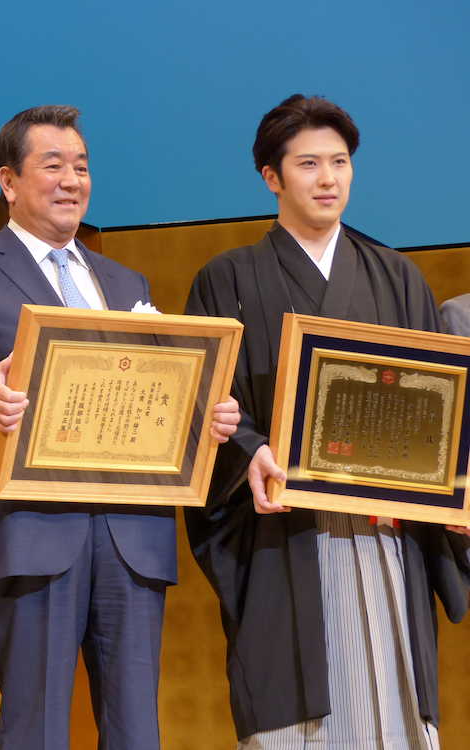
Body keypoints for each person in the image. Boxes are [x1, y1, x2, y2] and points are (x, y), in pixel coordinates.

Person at [0, 104, 239, 750]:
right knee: (34, 729)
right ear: (8, 181)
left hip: (133, 536)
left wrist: (203, 415)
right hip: (32, 535)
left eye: (82, 167)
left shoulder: (125, 280)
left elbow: (148, 394)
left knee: (136, 730)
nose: (72, 181)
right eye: (53, 165)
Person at [185, 94, 470, 749]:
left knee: (395, 708)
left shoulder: (398, 278)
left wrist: (450, 486)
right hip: (287, 536)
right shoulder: (227, 280)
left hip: (389, 531)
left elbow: (440, 412)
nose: (328, 179)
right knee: (302, 711)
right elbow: (209, 404)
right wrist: (250, 451)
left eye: (340, 162)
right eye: (308, 163)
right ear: (272, 176)